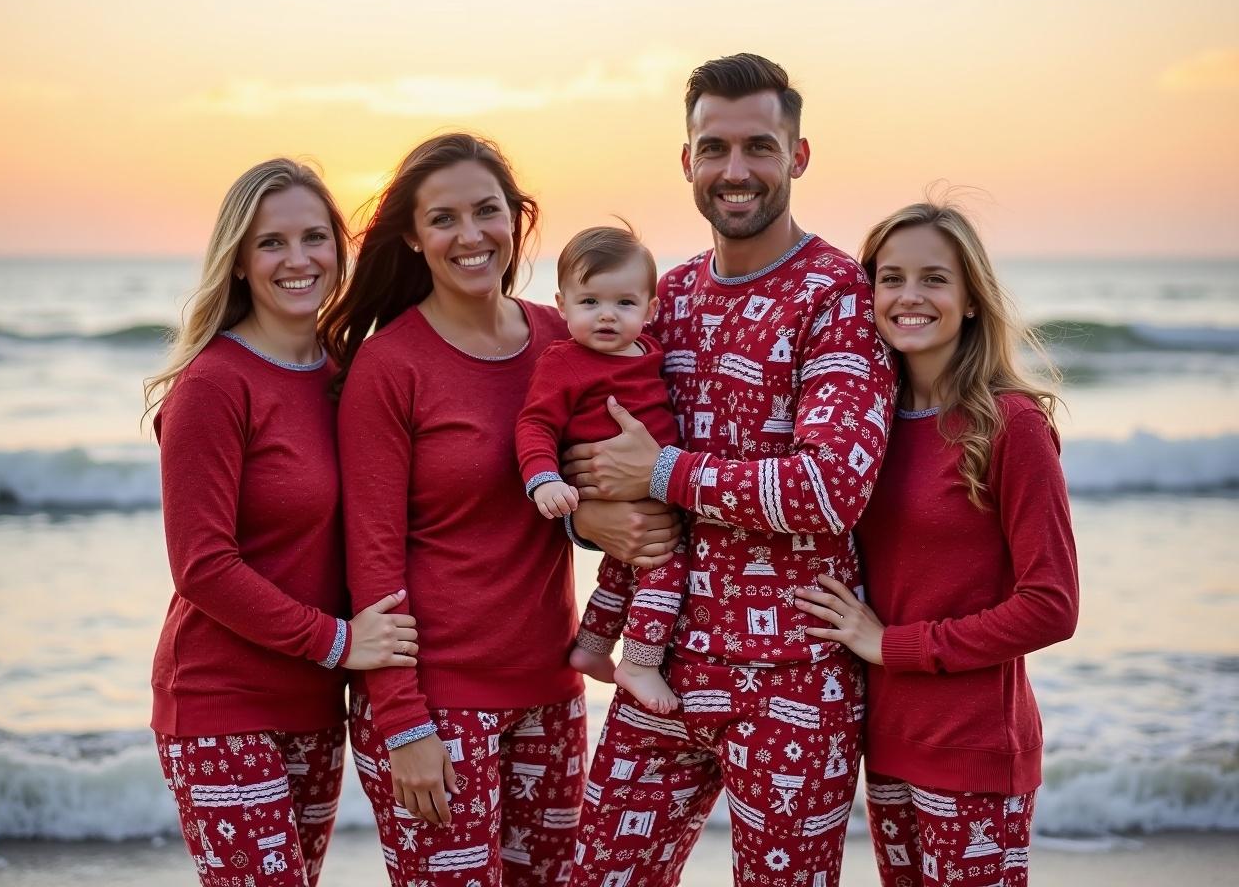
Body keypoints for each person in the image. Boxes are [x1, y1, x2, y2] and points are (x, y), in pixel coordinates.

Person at [564, 54, 898, 886]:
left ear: (799, 155)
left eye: (759, 146)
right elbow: (591, 451)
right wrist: (587, 515)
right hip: (659, 672)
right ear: (687, 161)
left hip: (795, 683)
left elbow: (828, 490)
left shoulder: (839, 298)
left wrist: (665, 470)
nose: (735, 170)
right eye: (714, 148)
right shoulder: (661, 297)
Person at [325, 133, 595, 886]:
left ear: (517, 217)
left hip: (553, 696)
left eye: (488, 211)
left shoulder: (561, 339)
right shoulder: (390, 366)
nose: (471, 236)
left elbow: (599, 486)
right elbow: (372, 558)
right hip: (436, 710)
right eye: (444, 219)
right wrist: (403, 723)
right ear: (412, 236)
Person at [143, 159, 420, 887]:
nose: (297, 261)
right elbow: (202, 567)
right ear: (237, 260)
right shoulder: (212, 385)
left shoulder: (346, 372)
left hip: (317, 705)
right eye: (271, 243)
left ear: (339, 246)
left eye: (314, 238)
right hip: (221, 705)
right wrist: (340, 641)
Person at [793, 201, 1079, 886]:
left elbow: (1051, 606)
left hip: (974, 747)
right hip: (887, 743)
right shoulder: (865, 429)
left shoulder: (1011, 426)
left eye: (934, 279)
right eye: (890, 279)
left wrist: (894, 645)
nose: (909, 297)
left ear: (972, 300)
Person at [515, 223, 685, 714]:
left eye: (624, 304)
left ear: (651, 311)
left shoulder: (651, 352)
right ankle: (639, 661)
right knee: (665, 571)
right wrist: (543, 479)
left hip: (652, 485)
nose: (607, 316)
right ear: (562, 305)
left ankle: (590, 647)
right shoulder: (564, 361)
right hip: (610, 488)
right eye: (589, 303)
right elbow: (535, 425)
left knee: (617, 574)